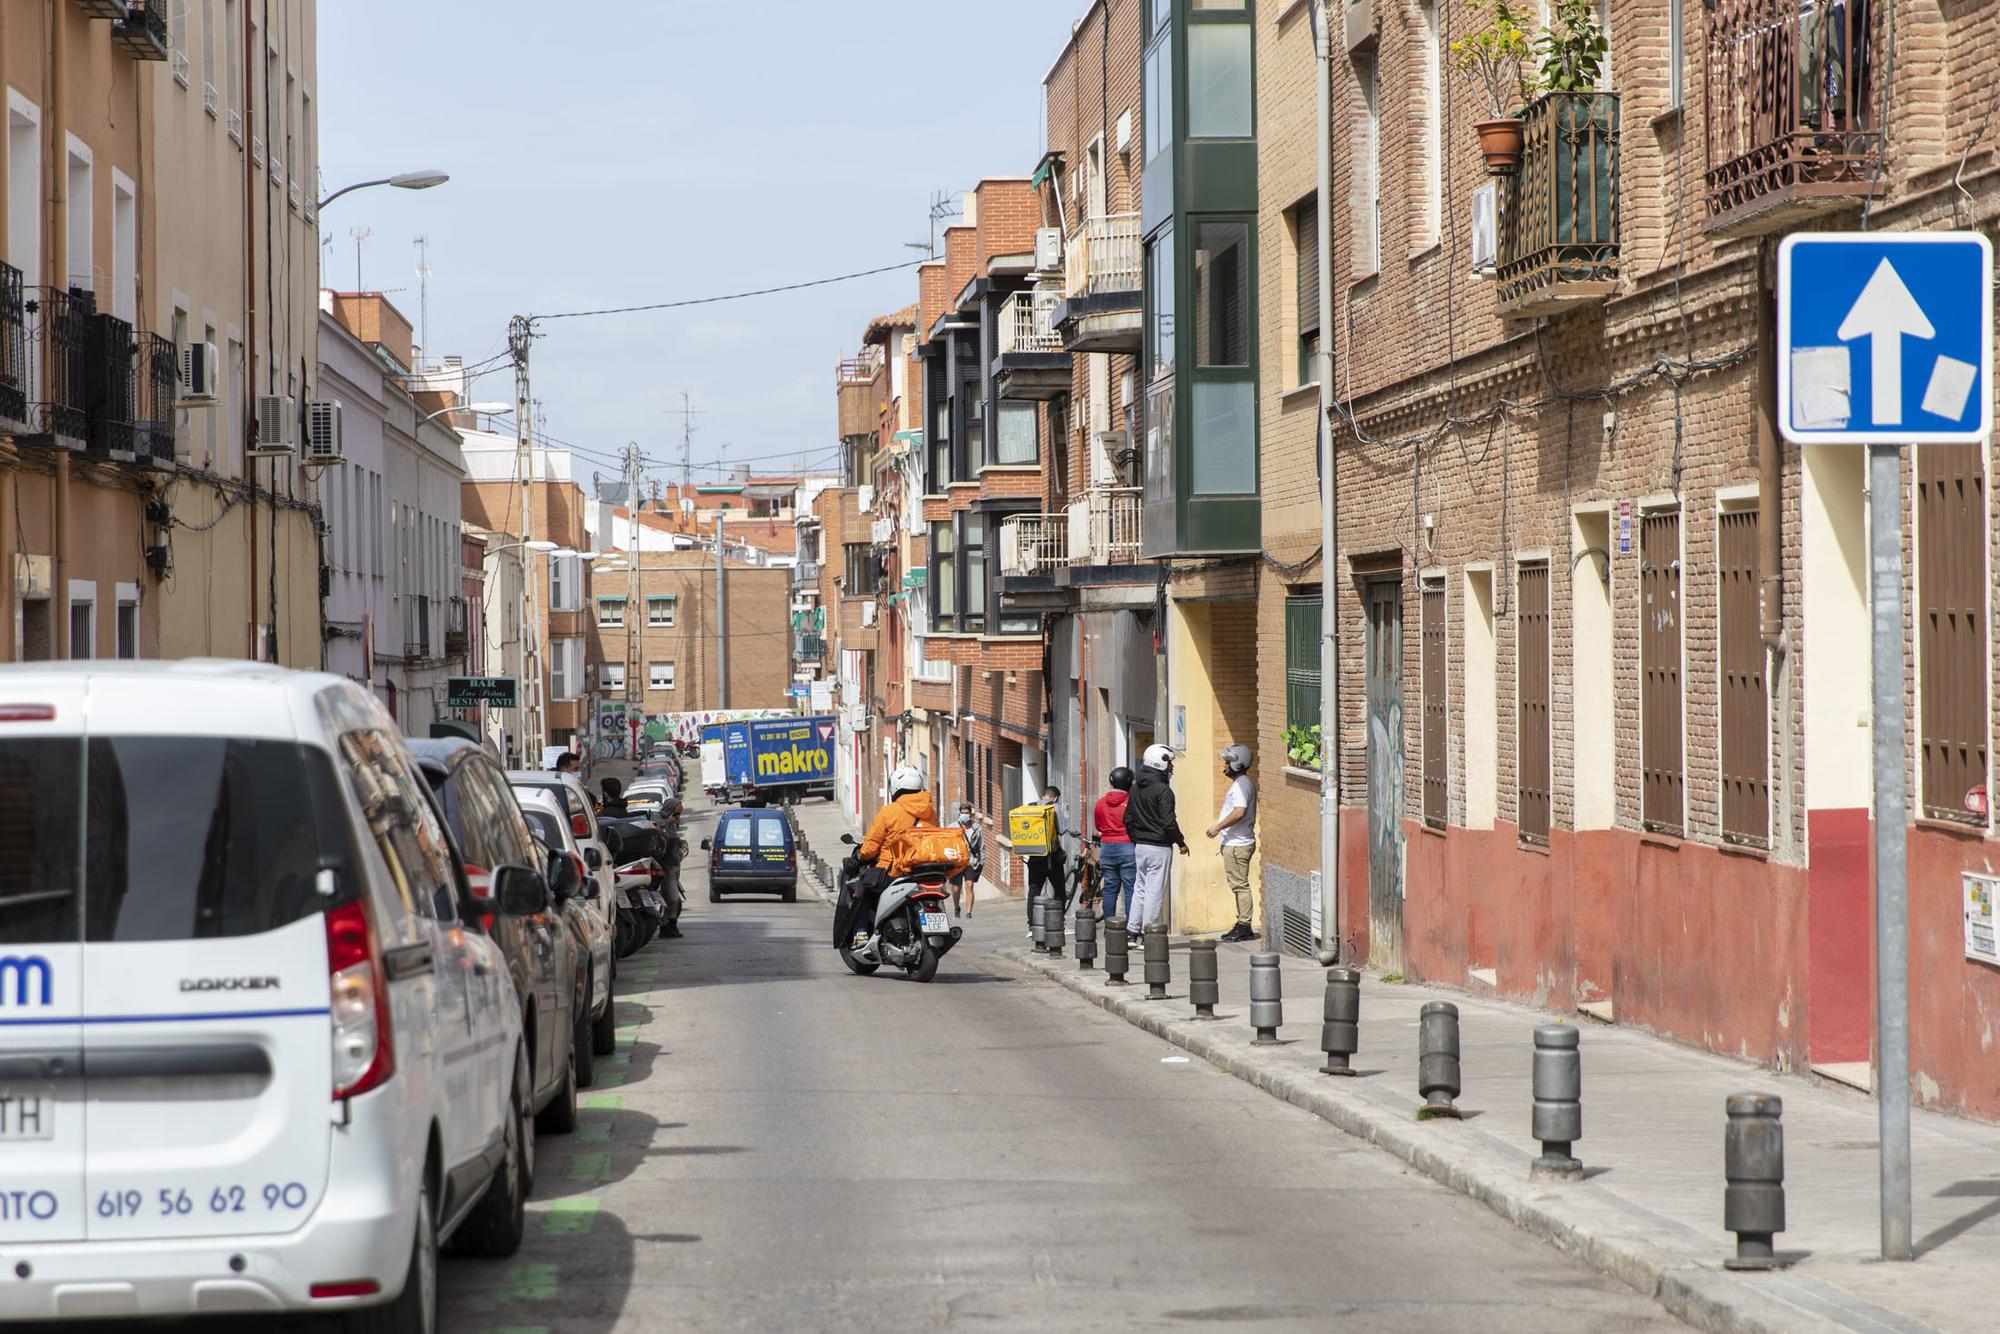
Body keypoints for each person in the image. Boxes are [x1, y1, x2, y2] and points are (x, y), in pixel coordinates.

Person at [843, 766, 937, 947]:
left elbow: (870, 847)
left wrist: (859, 858)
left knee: (861, 887)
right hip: (924, 870)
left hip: (894, 871)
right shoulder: (930, 811)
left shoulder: (889, 812)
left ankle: (861, 933)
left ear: (895, 788)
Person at [1125, 744, 1188, 946]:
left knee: (1140, 888)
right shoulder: (1164, 791)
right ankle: (1148, 933)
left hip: (1140, 846)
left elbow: (1128, 818)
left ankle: (1132, 932)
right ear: (1160, 762)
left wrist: (1137, 838)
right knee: (1155, 891)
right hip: (1159, 847)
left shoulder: (1135, 787)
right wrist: (1180, 842)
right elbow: (1168, 821)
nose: (1172, 767)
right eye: (1169, 762)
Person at [1205, 744, 1259, 942]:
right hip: (1237, 842)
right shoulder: (1243, 783)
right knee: (1238, 885)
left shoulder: (1241, 785)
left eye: (1228, 762)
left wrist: (1217, 827)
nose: (1225, 766)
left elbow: (1239, 811)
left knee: (1240, 886)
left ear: (1238, 763)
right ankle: (1241, 923)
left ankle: (1244, 925)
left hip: (1238, 844)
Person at [1093, 767, 1136, 924]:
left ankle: (1109, 927)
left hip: (1107, 847)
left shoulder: (1101, 803)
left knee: (1110, 889)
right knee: (1130, 888)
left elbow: (1098, 826)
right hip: (1127, 846)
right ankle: (1132, 927)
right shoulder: (1131, 801)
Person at [1023, 787, 1065, 936]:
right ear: (1056, 798)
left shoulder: (1030, 807)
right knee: (1060, 890)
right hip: (1052, 857)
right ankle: (1058, 922)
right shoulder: (1054, 807)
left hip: (1034, 856)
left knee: (1034, 890)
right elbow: (1061, 830)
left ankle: (1032, 925)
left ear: (1043, 795)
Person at [949, 801, 983, 919]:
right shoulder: (952, 827)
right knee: (955, 888)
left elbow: (981, 846)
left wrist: (981, 862)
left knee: (969, 885)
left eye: (967, 813)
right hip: (957, 862)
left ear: (970, 814)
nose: (965, 815)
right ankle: (957, 907)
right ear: (959, 813)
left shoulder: (976, 828)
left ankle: (969, 913)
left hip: (970, 861)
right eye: (963, 812)